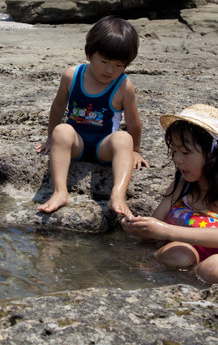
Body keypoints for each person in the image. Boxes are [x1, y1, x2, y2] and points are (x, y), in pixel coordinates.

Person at [121, 104, 218, 284]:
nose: (177, 159)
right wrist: (137, 226)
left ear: (213, 154)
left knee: (215, 267)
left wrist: (165, 230)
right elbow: (153, 229)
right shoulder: (182, 184)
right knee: (176, 254)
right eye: (175, 151)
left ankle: (193, 276)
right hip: (192, 253)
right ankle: (189, 277)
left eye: (185, 152)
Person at [35, 15, 148, 217]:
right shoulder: (72, 75)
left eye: (118, 65)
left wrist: (136, 150)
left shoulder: (123, 85)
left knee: (124, 138)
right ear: (89, 54)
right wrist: (50, 139)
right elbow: (58, 106)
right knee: (62, 131)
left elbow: (133, 122)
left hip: (103, 146)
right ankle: (61, 192)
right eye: (104, 61)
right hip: (75, 144)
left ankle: (118, 195)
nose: (109, 70)